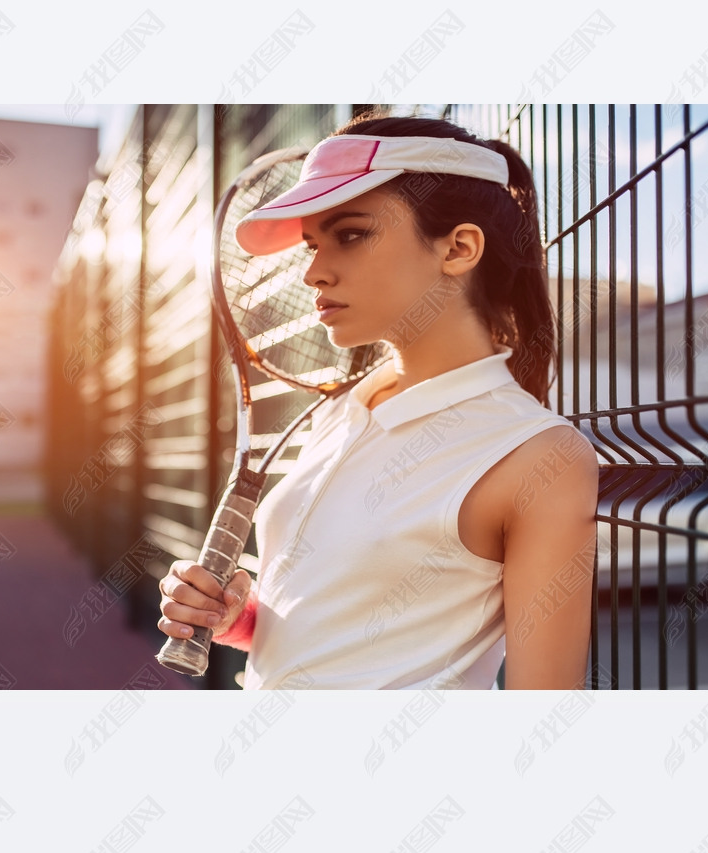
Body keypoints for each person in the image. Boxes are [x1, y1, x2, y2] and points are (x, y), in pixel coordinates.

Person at [157, 114, 599, 689]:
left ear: (459, 248)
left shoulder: (541, 456)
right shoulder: (342, 411)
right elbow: (334, 629)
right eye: (313, 245)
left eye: (350, 234)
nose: (313, 271)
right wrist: (237, 618)